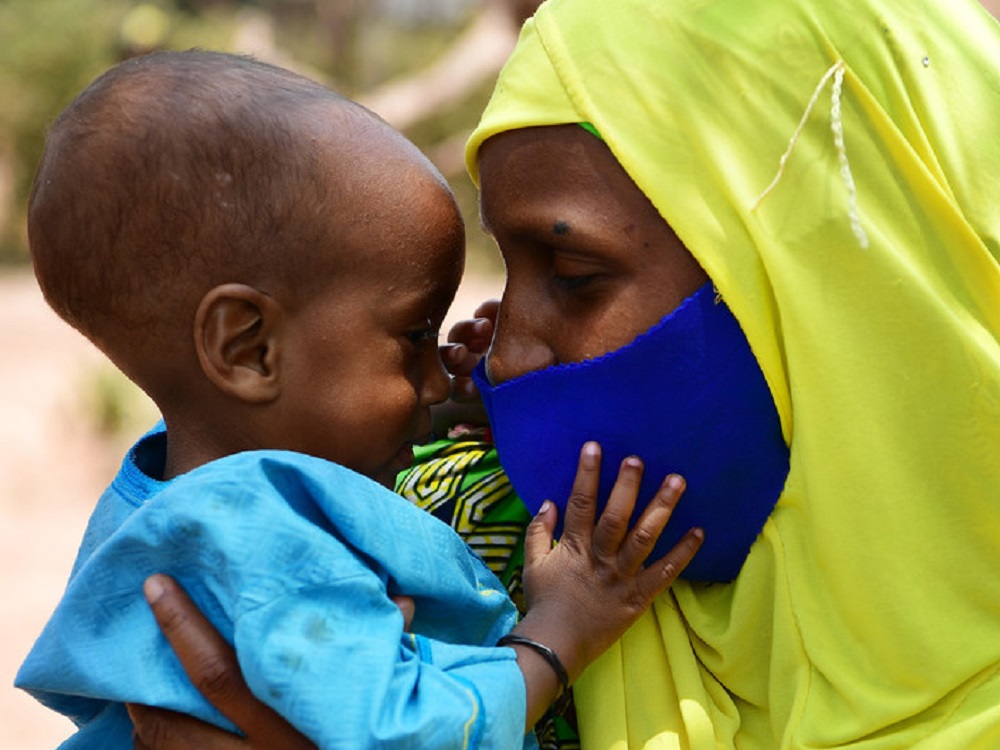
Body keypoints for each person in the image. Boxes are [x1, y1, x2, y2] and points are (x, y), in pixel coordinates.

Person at [129, 0, 1000, 747]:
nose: (505, 354)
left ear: (812, 282)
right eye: (505, 269)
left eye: (574, 277)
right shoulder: (444, 555)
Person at [13, 49, 706, 749]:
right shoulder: (258, 535)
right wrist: (564, 628)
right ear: (247, 348)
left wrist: (483, 401)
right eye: (412, 337)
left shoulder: (173, 505)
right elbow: (401, 736)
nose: (436, 380)